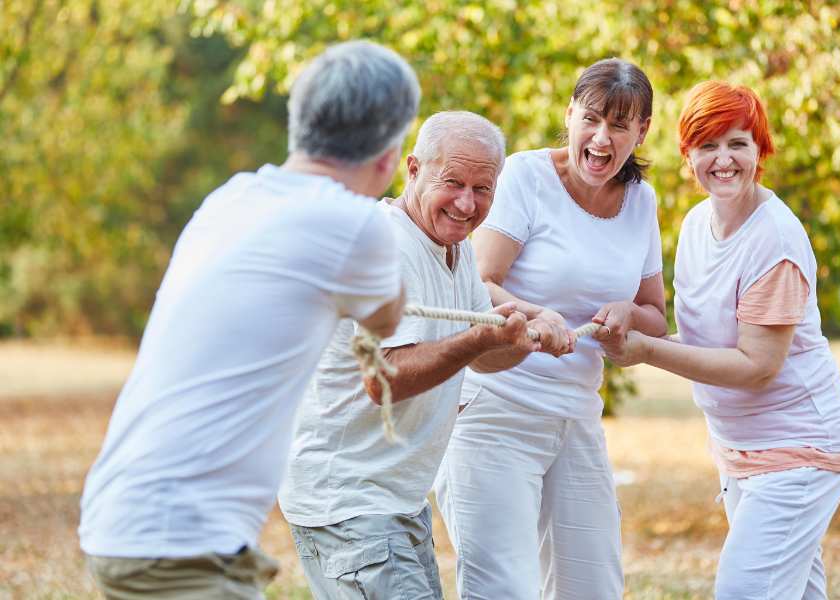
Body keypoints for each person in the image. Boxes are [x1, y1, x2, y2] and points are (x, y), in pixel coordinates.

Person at [78, 40, 420, 599]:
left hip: (129, 517)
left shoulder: (231, 198)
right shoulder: (355, 224)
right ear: (389, 154)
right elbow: (387, 318)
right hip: (177, 539)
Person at [598, 80, 840, 600]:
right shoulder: (698, 225)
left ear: (759, 151)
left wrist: (648, 352)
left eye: (737, 144)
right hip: (742, 450)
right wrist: (633, 320)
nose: (723, 160)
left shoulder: (774, 241)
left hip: (801, 450)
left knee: (745, 590)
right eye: (708, 146)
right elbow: (703, 339)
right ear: (687, 156)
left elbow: (757, 365)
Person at [278, 111, 540, 600]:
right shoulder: (386, 245)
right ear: (413, 169)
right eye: (453, 182)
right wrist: (483, 340)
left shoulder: (454, 249)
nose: (467, 203)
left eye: (483, 189)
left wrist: (520, 343)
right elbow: (385, 378)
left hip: (394, 498)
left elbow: (482, 358)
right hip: (350, 502)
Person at [433, 59, 667, 599]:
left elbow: (655, 315)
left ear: (642, 131)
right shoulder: (526, 176)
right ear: (570, 114)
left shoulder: (642, 202)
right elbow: (477, 282)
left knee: (593, 589)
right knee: (504, 589)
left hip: (576, 420)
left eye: (619, 125)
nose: (602, 139)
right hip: (495, 411)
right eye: (591, 120)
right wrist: (534, 314)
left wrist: (627, 315)